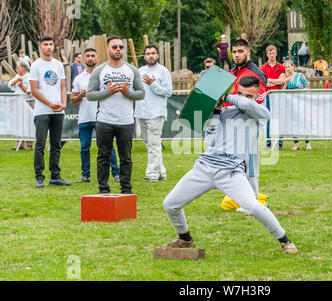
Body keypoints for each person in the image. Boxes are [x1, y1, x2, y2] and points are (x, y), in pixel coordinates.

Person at [161, 75, 298, 255]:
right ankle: (185, 239)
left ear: (257, 95)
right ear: (235, 91)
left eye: (248, 95)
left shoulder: (261, 113)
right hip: (205, 166)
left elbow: (248, 105)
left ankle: (285, 241)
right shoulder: (225, 112)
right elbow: (211, 139)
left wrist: (226, 97)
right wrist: (216, 109)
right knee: (170, 204)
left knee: (254, 206)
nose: (243, 99)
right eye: (239, 93)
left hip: (231, 171)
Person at [87, 36, 145, 194]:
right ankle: (103, 189)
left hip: (126, 121)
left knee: (126, 158)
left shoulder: (132, 70)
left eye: (120, 47)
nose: (118, 49)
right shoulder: (100, 70)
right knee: (103, 156)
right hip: (104, 121)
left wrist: (128, 93)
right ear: (107, 50)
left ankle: (126, 189)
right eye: (114, 47)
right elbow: (90, 95)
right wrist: (108, 92)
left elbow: (141, 94)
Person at [71, 48, 120, 183]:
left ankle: (116, 173)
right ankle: (85, 175)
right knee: (84, 147)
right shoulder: (78, 78)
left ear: (97, 59)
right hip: (85, 118)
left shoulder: (104, 75)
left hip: (102, 117)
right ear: (83, 59)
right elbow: (73, 100)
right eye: (87, 56)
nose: (90, 58)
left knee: (107, 147)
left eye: (93, 55)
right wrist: (81, 95)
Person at [30, 35, 71, 188]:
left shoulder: (59, 65)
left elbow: (62, 86)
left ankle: (55, 176)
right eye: (45, 44)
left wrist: (63, 104)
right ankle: (39, 176)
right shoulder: (36, 66)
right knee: (40, 144)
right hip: (42, 111)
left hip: (58, 111)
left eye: (51, 44)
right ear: (40, 46)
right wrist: (49, 103)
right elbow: (34, 90)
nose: (49, 47)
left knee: (56, 144)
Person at [135, 44, 173, 183]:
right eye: (148, 53)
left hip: (156, 112)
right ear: (144, 56)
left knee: (153, 144)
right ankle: (161, 172)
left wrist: (153, 84)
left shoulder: (163, 71)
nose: (151, 55)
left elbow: (168, 92)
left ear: (157, 55)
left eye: (153, 53)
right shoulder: (139, 71)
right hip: (142, 112)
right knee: (149, 144)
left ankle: (152, 174)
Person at [260, 45, 286, 150]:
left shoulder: (281, 67)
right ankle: (268, 142)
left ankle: (280, 143)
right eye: (270, 53)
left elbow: (282, 81)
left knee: (279, 119)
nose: (272, 55)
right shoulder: (262, 67)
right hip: (268, 97)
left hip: (278, 96)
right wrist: (275, 81)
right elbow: (263, 83)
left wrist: (270, 80)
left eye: (273, 53)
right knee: (268, 119)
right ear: (267, 54)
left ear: (276, 53)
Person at [282, 60, 311, 151]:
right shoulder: (287, 78)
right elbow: (283, 91)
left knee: (303, 121)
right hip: (292, 103)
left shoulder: (300, 76)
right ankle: (296, 143)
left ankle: (307, 143)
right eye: (286, 67)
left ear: (293, 67)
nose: (288, 69)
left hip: (301, 101)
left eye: (289, 67)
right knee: (293, 122)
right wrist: (285, 83)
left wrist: (299, 91)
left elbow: (307, 86)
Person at [8, 62, 33, 150]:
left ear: (23, 68)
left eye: (17, 67)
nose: (16, 69)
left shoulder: (30, 77)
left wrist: (21, 86)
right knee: (18, 123)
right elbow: (9, 84)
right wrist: (16, 80)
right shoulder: (17, 76)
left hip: (28, 101)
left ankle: (29, 145)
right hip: (18, 102)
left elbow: (31, 92)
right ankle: (20, 144)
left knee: (28, 123)